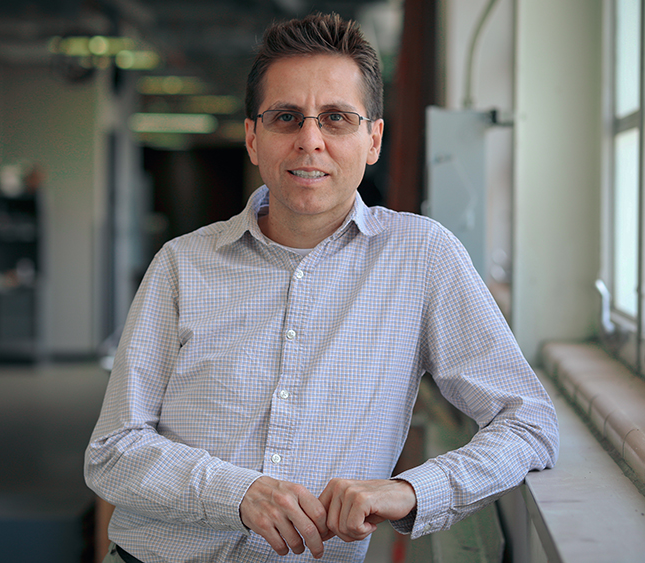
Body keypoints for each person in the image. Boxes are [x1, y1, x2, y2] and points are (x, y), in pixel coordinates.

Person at [85, 12, 558, 563]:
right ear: (253, 138)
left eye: (336, 118)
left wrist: (412, 491)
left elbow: (528, 421)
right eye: (287, 117)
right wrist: (236, 496)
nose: (310, 141)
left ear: (373, 139)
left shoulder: (422, 259)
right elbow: (112, 453)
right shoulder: (181, 265)